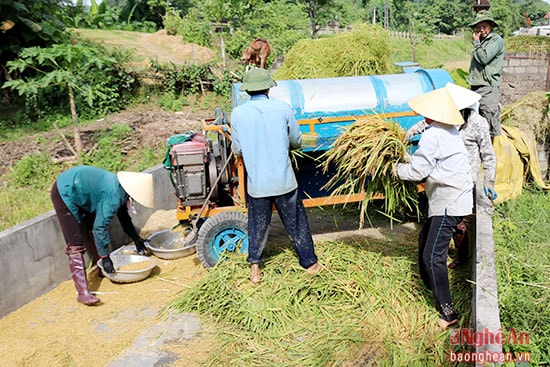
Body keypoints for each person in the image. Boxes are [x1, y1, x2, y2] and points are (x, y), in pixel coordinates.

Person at [230, 68, 321, 284]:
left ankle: (255, 271)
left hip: (257, 185)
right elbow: (297, 141)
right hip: (284, 182)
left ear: (248, 91)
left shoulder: (238, 114)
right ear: (269, 88)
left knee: (257, 225)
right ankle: (311, 264)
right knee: (297, 223)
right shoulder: (282, 108)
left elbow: (237, 149)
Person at [396, 87, 474, 328]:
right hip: (451, 197)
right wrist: (409, 160)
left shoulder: (434, 134)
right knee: (424, 244)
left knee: (433, 255)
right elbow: (430, 162)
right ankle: (431, 285)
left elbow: (420, 171)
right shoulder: (448, 130)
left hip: (449, 202)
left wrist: (395, 169)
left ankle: (448, 312)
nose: (423, 114)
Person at [405, 83, 498, 270]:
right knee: (436, 216)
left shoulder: (478, 123)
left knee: (461, 224)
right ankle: (438, 250)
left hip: (466, 180)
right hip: (442, 178)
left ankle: (462, 257)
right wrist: (407, 134)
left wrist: (489, 181)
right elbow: (424, 123)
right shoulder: (446, 119)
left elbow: (488, 154)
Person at [50, 165, 155, 305]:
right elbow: (100, 227)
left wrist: (136, 238)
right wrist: (106, 257)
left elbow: (124, 217)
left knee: (93, 226)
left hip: (81, 190)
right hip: (65, 190)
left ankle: (100, 268)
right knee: (75, 242)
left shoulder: (121, 190)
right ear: (133, 194)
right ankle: (82, 293)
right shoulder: (114, 195)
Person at [466, 10, 505, 138]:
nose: (481, 30)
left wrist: (476, 42)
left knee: (490, 126)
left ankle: (494, 156)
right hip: (476, 88)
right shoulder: (481, 41)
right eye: (478, 27)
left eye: (484, 26)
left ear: (491, 26)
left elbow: (483, 58)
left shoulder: (496, 40)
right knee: (475, 124)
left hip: (488, 89)